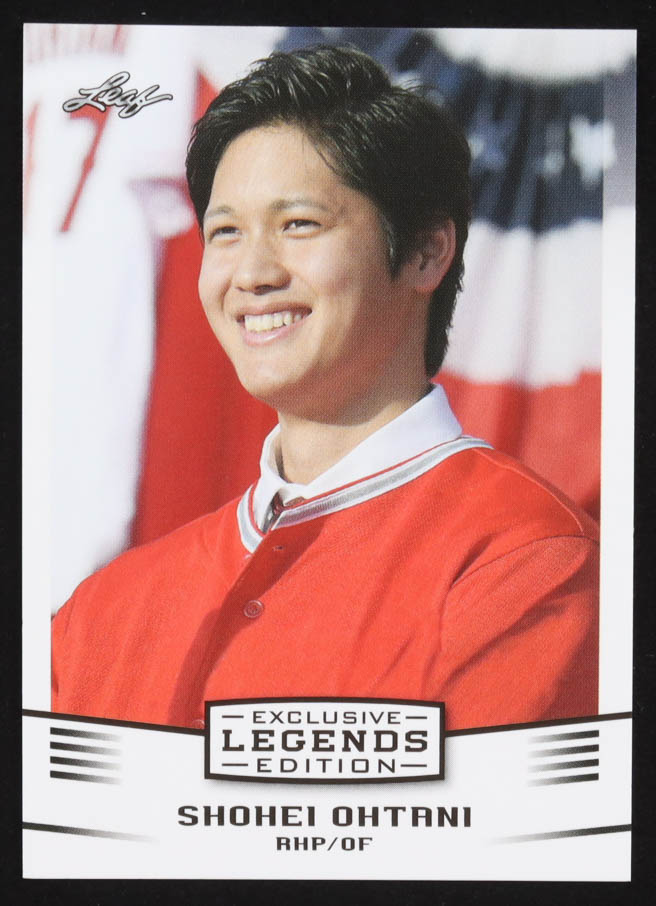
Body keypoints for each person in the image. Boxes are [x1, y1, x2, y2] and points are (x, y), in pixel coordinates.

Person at [52, 46, 598, 732]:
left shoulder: (528, 565)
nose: (252, 273)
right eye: (225, 232)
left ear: (427, 251)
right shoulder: (100, 614)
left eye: (298, 224)